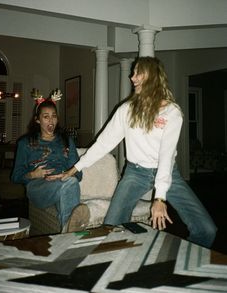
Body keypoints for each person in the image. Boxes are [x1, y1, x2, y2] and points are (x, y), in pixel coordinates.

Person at [61, 57, 216, 248]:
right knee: (111, 225)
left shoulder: (171, 112)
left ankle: (183, 262)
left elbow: (166, 157)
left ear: (151, 76)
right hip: (136, 174)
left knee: (207, 230)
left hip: (168, 173)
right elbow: (103, 143)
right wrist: (77, 167)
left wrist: (159, 198)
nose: (132, 77)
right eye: (132, 73)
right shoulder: (126, 110)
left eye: (137, 73)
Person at [11, 92, 90, 233]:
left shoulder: (67, 141)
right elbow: (15, 176)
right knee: (69, 184)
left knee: (69, 185)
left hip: (62, 183)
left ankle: (68, 230)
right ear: (37, 120)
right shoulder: (26, 143)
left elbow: (78, 174)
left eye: (54, 116)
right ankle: (71, 229)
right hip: (38, 187)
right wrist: (32, 174)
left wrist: (64, 175)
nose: (51, 121)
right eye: (46, 117)